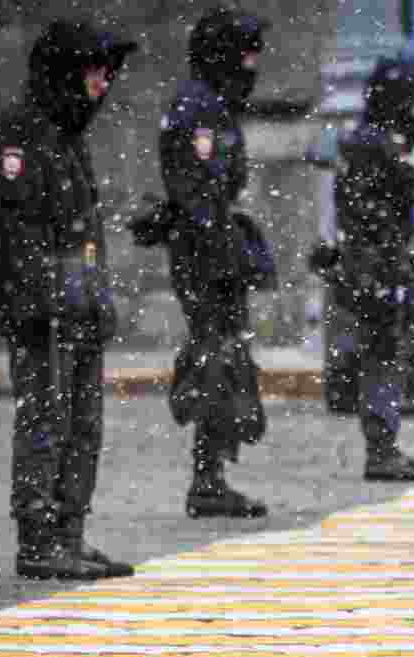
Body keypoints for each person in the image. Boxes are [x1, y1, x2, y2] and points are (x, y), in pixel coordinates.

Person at [0, 20, 136, 580]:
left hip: (80, 304)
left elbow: (83, 232)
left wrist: (95, 296)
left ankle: (70, 531)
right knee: (45, 421)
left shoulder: (67, 135)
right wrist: (41, 298)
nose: (103, 85)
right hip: (45, 311)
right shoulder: (18, 132)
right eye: (94, 72)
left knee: (83, 424)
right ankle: (39, 540)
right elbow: (13, 228)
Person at [158, 7, 272, 518]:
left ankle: (212, 473)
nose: (252, 65)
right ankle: (206, 478)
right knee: (214, 358)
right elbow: (195, 191)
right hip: (204, 256)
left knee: (225, 358)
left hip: (214, 249)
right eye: (245, 53)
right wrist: (218, 252)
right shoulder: (197, 109)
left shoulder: (213, 106)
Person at [333, 57, 414, 481]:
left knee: (385, 354)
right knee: (381, 355)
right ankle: (381, 450)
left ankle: (385, 445)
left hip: (376, 261)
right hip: (373, 265)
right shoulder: (374, 142)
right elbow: (412, 187)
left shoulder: (373, 138)